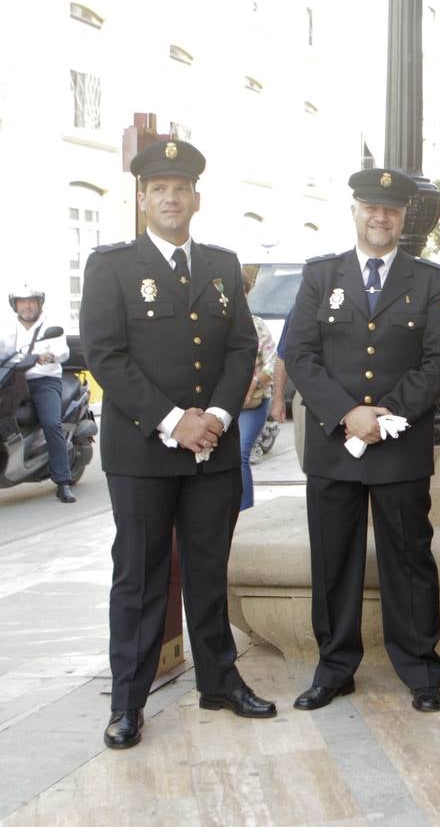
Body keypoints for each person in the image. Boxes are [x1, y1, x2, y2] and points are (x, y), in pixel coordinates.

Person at [81, 139, 276, 750]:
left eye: (181, 187)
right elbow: (105, 356)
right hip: (142, 452)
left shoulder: (221, 265)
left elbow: (242, 345)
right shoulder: (111, 265)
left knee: (207, 570)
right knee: (139, 576)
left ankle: (219, 681)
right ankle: (128, 702)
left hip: (211, 449)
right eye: (159, 188)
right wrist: (174, 420)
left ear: (197, 197)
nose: (171, 197)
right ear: (142, 199)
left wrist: (215, 414)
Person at [285, 167, 440, 714]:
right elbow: (301, 354)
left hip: (400, 444)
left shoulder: (429, 280)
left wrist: (386, 416)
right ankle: (334, 668)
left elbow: (439, 362)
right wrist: (347, 414)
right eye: (371, 207)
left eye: (391, 210)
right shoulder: (320, 276)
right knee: (333, 560)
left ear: (404, 217)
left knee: (408, 558)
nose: (380, 217)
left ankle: (420, 669)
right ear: (355, 211)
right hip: (335, 446)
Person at [8, 287, 76, 501]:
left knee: (51, 423)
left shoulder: (50, 326)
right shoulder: (7, 327)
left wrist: (48, 355)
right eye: (22, 301)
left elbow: (62, 351)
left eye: (31, 301)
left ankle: (63, 482)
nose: (27, 306)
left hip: (44, 381)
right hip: (12, 380)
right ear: (15, 305)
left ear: (39, 304)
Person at [238, 269, 275, 510]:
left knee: (240, 453)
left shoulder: (257, 325)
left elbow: (272, 361)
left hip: (253, 402)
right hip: (223, 402)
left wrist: (254, 383)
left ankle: (245, 510)